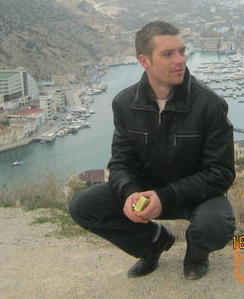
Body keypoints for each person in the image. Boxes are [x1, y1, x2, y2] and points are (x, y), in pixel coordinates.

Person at [69, 21, 235, 280]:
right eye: (168, 54)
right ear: (144, 61)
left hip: (195, 194)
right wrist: (130, 193)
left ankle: (196, 255)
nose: (180, 60)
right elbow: (121, 163)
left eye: (182, 51)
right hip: (146, 191)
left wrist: (165, 197)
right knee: (83, 205)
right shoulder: (124, 103)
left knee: (216, 224)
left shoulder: (210, 104)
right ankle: (153, 244)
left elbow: (221, 173)